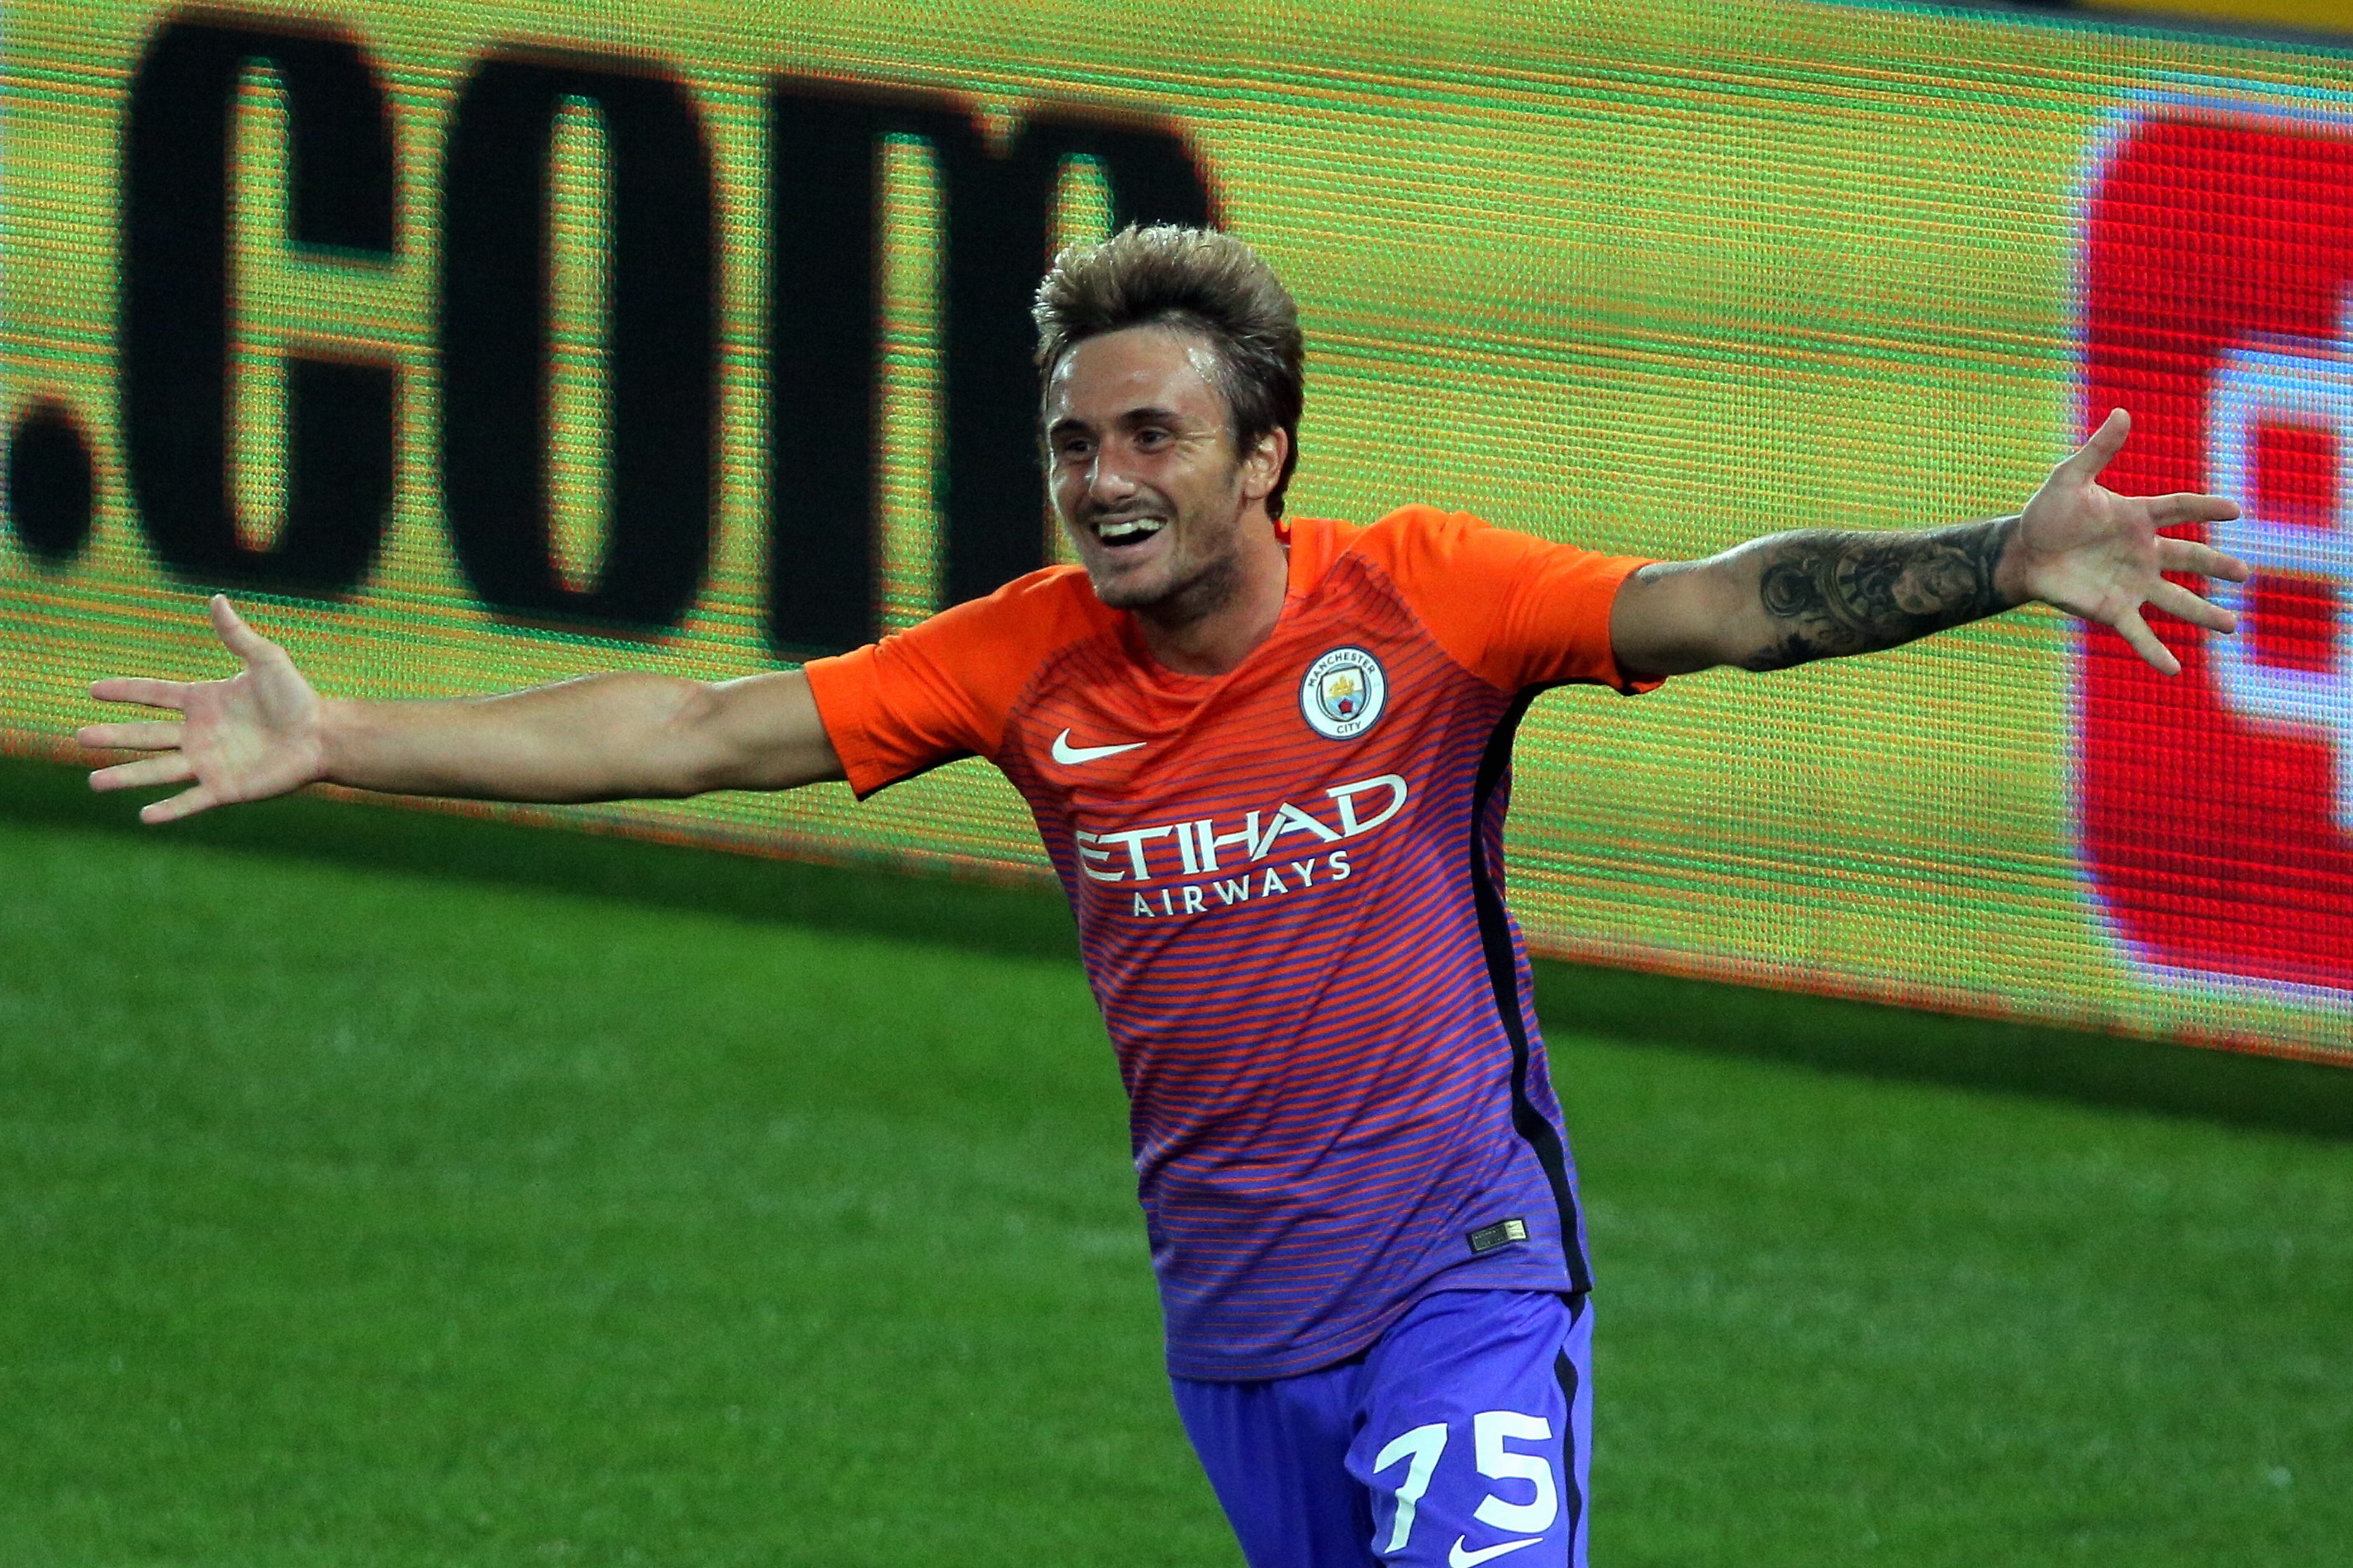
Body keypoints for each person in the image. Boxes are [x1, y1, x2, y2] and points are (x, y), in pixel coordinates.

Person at [80, 225, 2246, 1568]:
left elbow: (1727, 606)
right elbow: (692, 731)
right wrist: (344, 735)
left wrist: (1997, 555)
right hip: (1235, 1343)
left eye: (1150, 436)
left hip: (1462, 1289)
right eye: (1074, 442)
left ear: (1263, 453)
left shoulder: (1432, 599)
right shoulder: (1025, 658)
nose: (1105, 478)